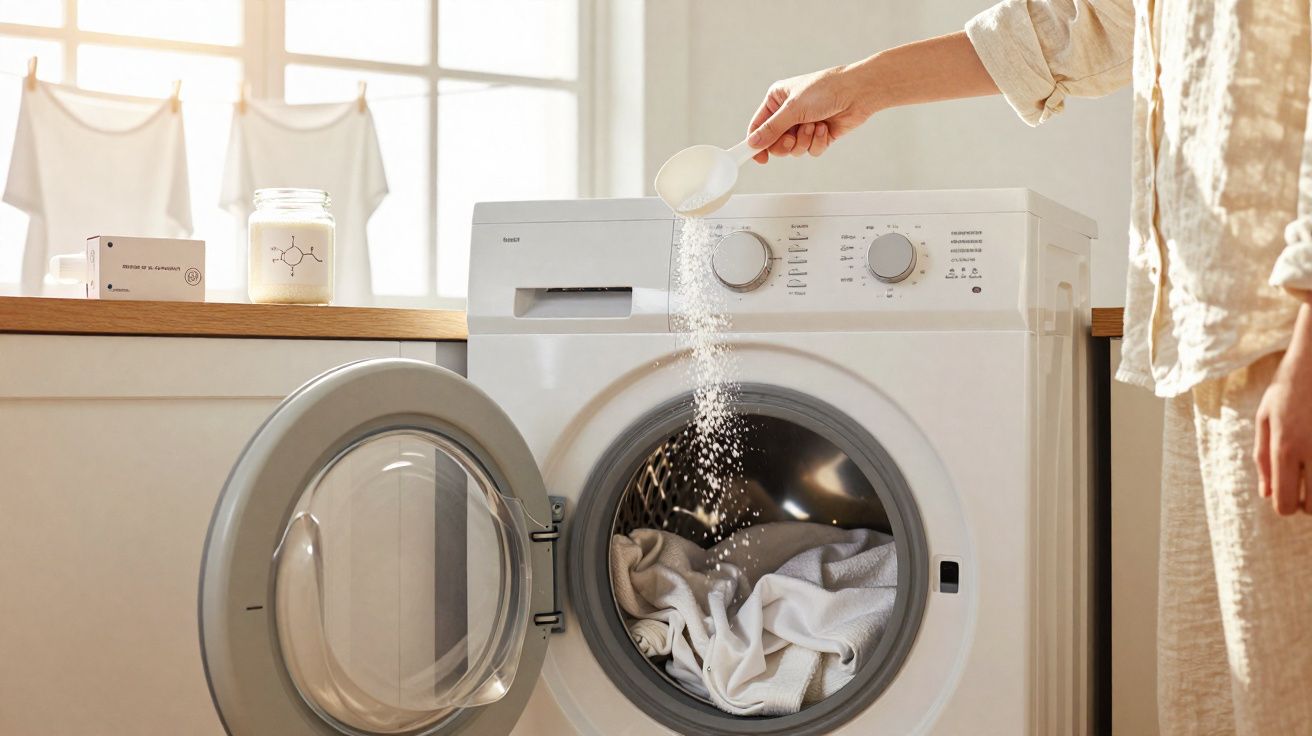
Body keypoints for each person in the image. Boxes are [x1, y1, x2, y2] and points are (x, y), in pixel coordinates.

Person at [742, 3, 1312, 734]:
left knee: (1287, 688)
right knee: (1223, 699)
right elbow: (1075, 26)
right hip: (1205, 332)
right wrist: (857, 85)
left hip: (1279, 331)